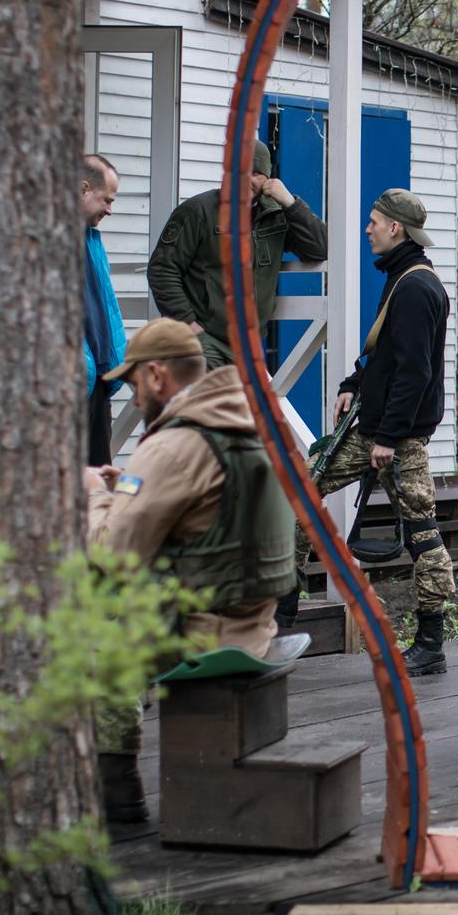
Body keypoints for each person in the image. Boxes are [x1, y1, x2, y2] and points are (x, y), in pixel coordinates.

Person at [81, 317, 300, 822]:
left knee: (90, 641)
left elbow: (113, 556)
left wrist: (94, 498)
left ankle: (117, 794)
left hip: (203, 635)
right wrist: (127, 492)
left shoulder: (174, 445)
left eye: (134, 385)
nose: (134, 400)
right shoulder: (252, 422)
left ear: (157, 376)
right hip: (256, 620)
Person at [290, 188, 455, 676]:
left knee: (424, 534)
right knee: (295, 491)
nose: (367, 229)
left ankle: (430, 645)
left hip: (394, 439)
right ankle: (279, 610)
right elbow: (386, 357)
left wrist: (387, 437)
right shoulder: (402, 278)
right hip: (380, 429)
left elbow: (414, 373)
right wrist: (352, 383)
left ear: (395, 229)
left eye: (373, 221)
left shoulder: (416, 289)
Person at [147, 140, 326, 368]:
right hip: (202, 337)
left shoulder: (277, 215)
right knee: (215, 396)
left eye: (256, 173)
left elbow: (321, 248)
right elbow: (162, 269)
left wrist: (291, 204)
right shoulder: (197, 211)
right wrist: (187, 322)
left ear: (268, 178)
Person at [81, 153, 128, 464]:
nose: (110, 210)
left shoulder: (92, 241)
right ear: (84, 189)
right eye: (106, 200)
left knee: (97, 483)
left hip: (97, 380)